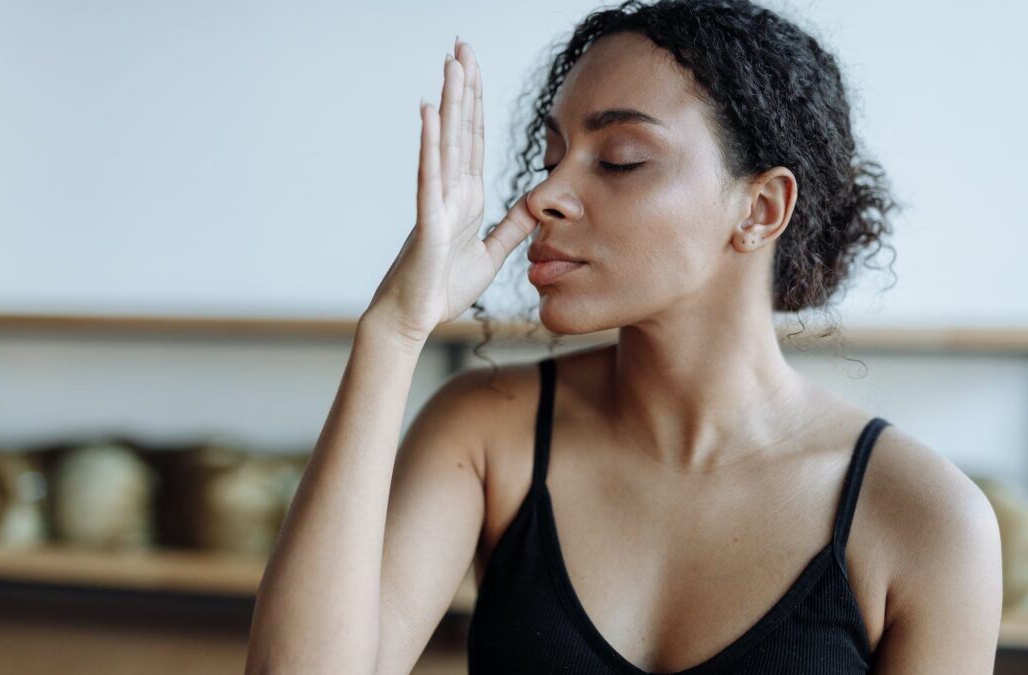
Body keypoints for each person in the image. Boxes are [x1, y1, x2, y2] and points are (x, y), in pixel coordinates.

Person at [244, 1, 1003, 673]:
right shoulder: (484, 435)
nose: (543, 195)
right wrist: (392, 330)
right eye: (550, 158)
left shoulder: (927, 519)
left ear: (762, 209)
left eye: (620, 160)